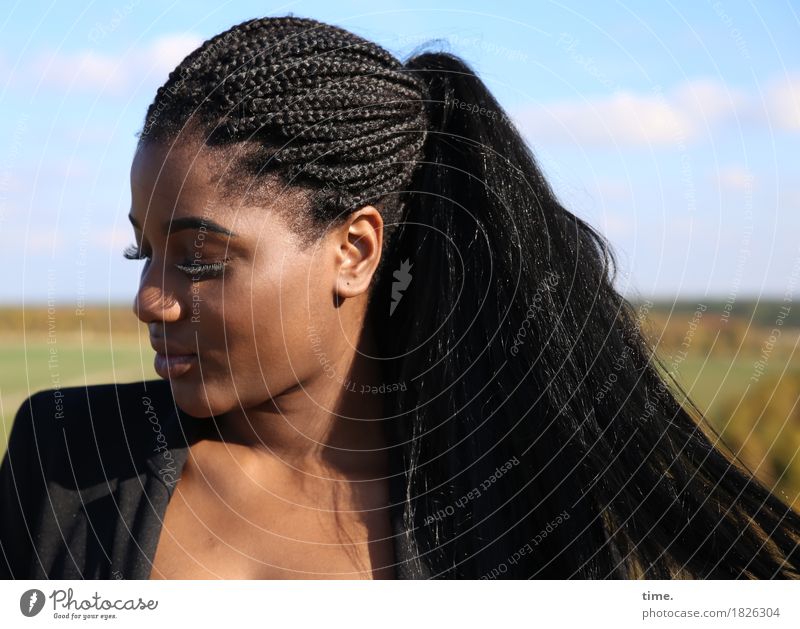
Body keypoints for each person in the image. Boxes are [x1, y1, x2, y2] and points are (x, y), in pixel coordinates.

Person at [2, 14, 799, 580]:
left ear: (353, 251)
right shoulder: (67, 458)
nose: (149, 299)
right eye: (144, 250)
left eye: (201, 257)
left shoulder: (511, 520)